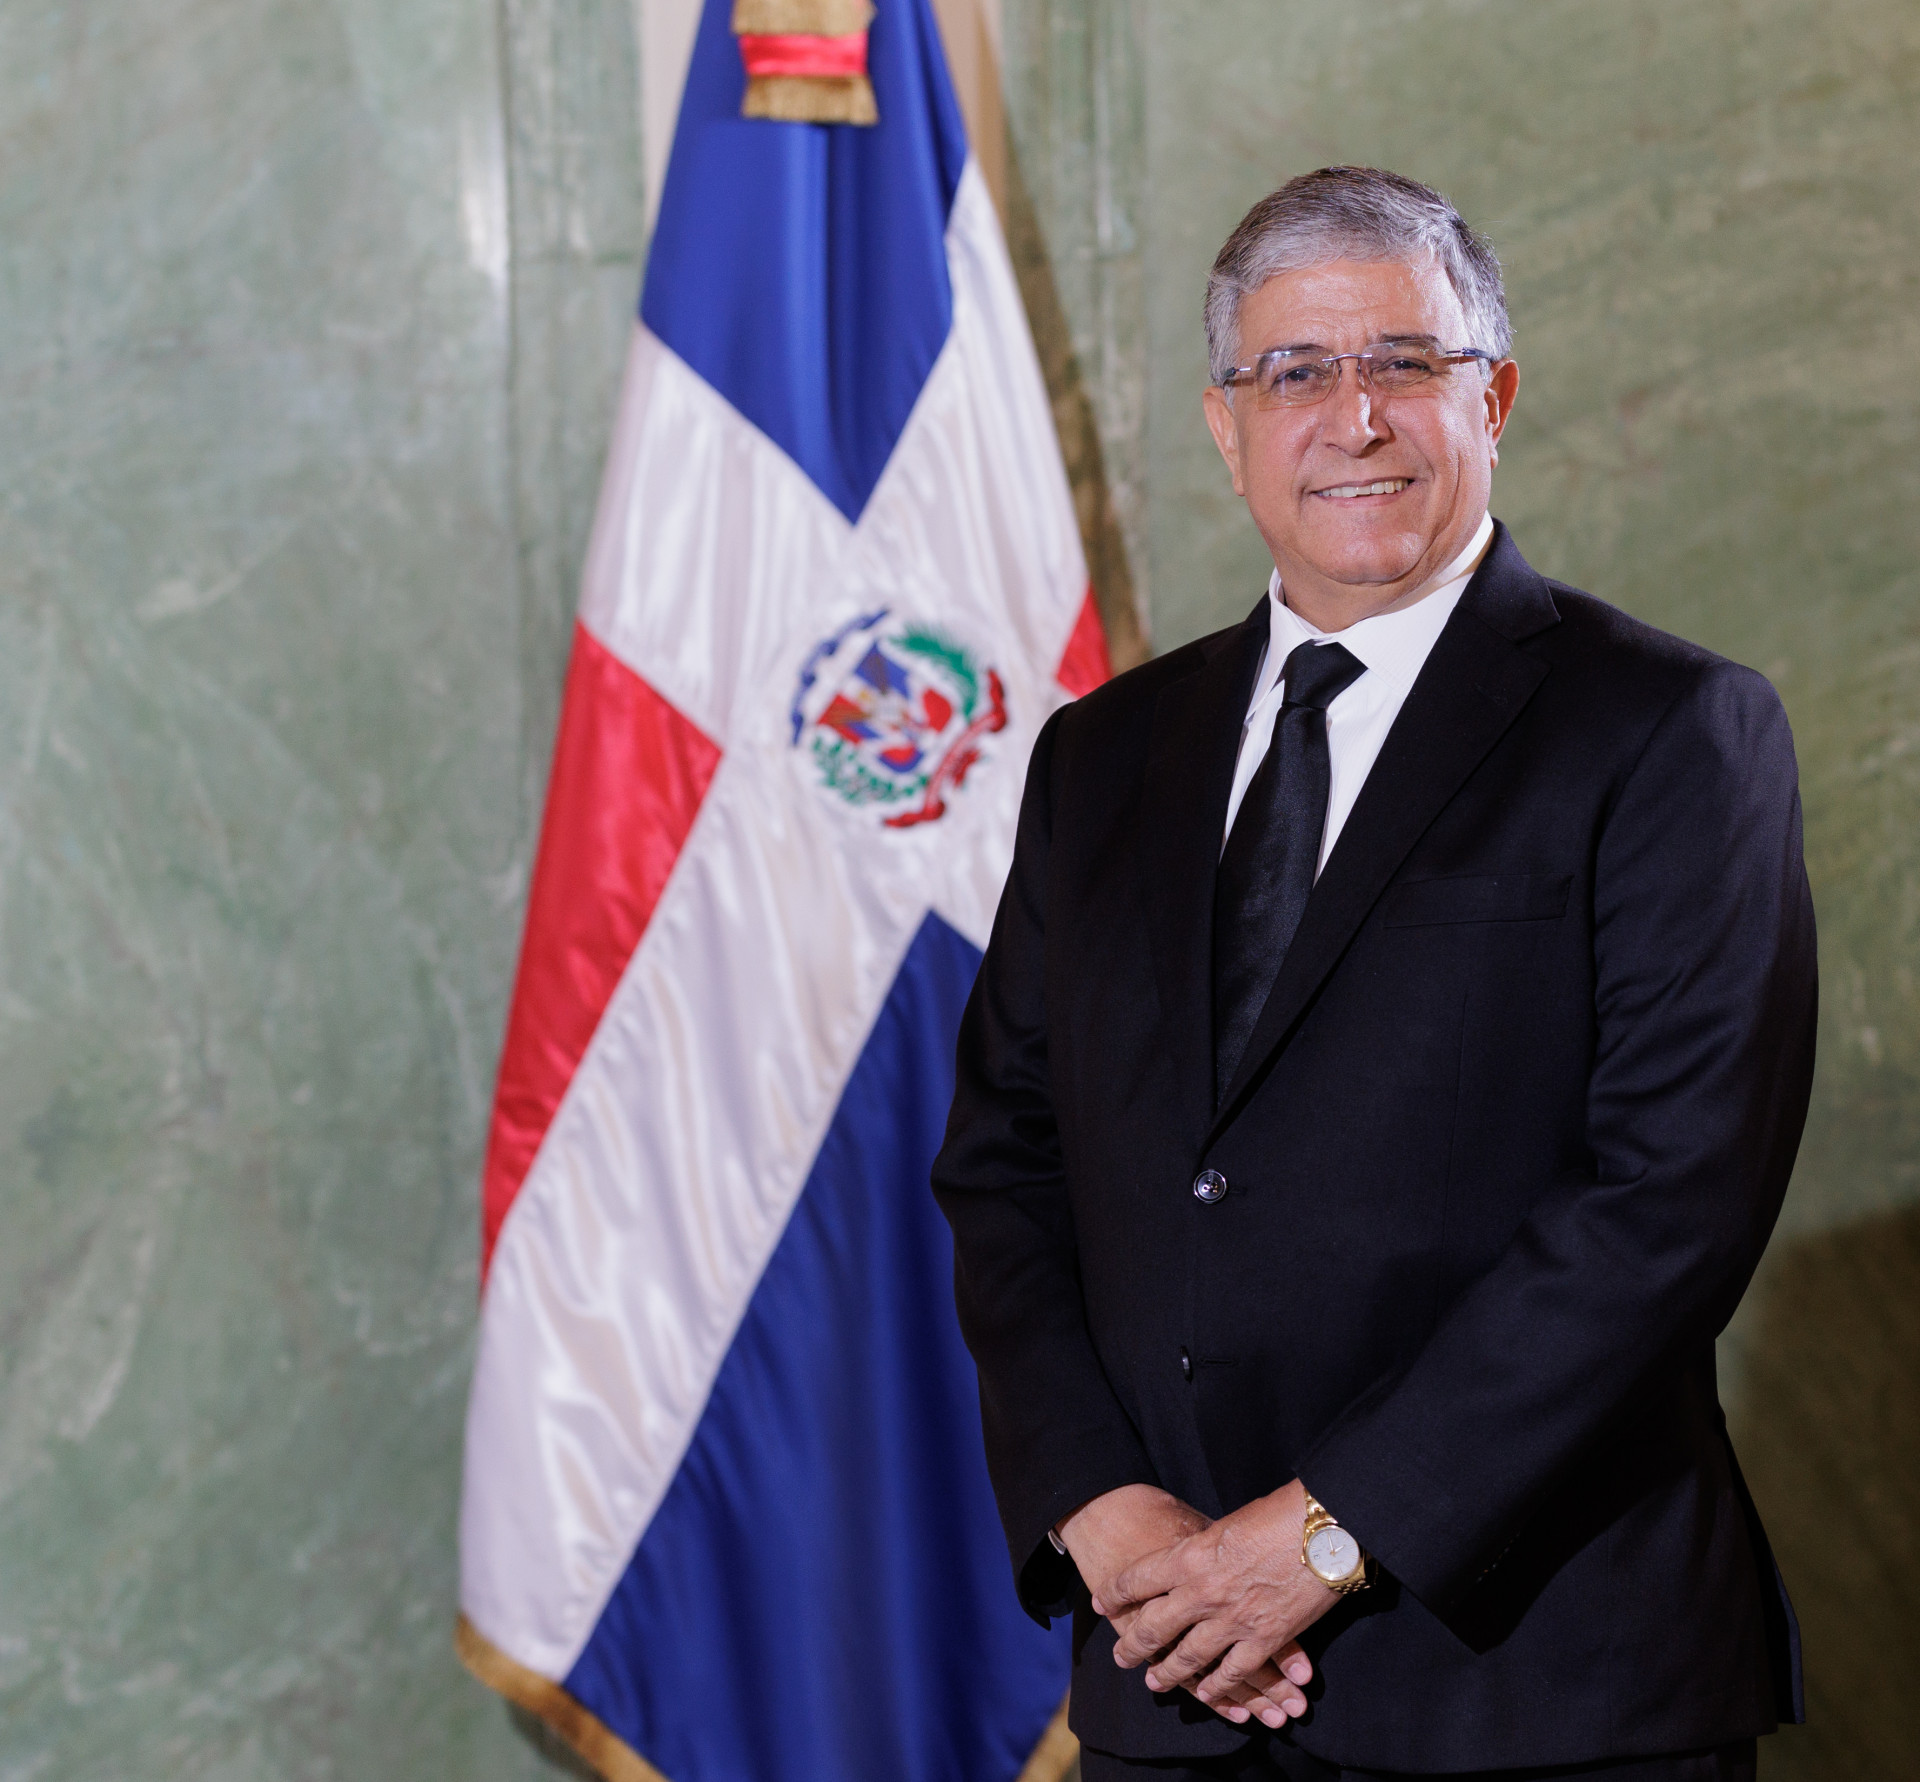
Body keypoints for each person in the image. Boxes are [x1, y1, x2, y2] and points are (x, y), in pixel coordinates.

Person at [931, 166, 1816, 1782]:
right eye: (1296, 373)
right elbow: (1003, 1161)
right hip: (1174, 1678)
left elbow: (1669, 1204)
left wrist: (1328, 1532)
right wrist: (1099, 1505)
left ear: (1496, 399)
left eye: (1406, 362)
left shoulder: (1671, 732)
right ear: (1226, 427)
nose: (1355, 418)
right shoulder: (1101, 757)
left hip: (1537, 1692)